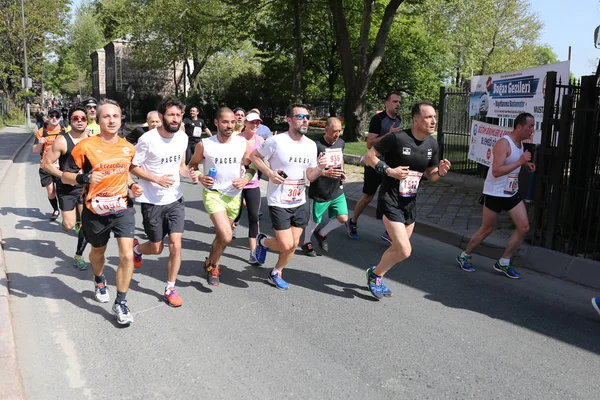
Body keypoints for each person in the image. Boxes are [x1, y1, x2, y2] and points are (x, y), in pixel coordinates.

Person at [62, 99, 143, 325]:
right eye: (106, 116)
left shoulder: (128, 147)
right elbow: (65, 175)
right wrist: (84, 177)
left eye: (115, 116)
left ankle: (121, 302)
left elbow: (125, 171)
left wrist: (132, 185)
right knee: (98, 251)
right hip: (95, 210)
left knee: (127, 254)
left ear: (120, 120)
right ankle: (99, 279)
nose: (111, 120)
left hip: (122, 207)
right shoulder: (85, 147)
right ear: (97, 120)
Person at [363, 101, 451, 299]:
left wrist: (441, 172)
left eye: (434, 117)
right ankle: (375, 275)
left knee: (398, 248)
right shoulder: (397, 139)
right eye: (428, 117)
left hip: (409, 202)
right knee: (404, 250)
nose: (433, 121)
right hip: (390, 199)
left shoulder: (432, 144)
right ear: (416, 119)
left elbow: (432, 175)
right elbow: (369, 156)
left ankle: (377, 274)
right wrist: (389, 171)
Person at [250, 103, 327, 290]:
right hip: (279, 201)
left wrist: (319, 168)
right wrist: (269, 173)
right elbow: (254, 156)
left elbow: (309, 176)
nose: (305, 120)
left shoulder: (310, 145)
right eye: (301, 117)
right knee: (285, 244)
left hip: (300, 200)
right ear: (289, 120)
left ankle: (276, 272)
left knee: (293, 245)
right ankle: (262, 242)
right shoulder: (277, 141)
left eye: (307, 117)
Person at [130, 97, 196, 307]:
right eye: (171, 115)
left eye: (178, 115)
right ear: (161, 116)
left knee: (176, 245)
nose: (175, 119)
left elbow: (182, 166)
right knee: (157, 248)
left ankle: (170, 288)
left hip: (175, 199)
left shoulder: (183, 138)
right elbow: (133, 167)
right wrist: (155, 179)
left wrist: (191, 175)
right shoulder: (147, 140)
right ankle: (137, 250)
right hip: (152, 201)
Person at [456, 112, 536, 279]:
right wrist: (520, 162)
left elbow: (512, 163)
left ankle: (504, 262)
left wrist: (525, 165)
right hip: (494, 192)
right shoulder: (503, 143)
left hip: (511, 192)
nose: (532, 130)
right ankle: (465, 255)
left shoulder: (520, 144)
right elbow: (497, 171)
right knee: (487, 229)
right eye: (530, 126)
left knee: (524, 228)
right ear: (519, 127)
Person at [189, 107, 255, 286]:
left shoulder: (242, 143)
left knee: (221, 236)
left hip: (234, 196)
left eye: (233, 122)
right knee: (226, 236)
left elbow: (251, 166)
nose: (230, 125)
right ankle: (214, 266)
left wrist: (245, 179)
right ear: (216, 122)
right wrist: (201, 177)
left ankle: (210, 263)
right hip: (214, 194)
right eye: (225, 122)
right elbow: (193, 165)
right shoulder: (205, 144)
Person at [347, 91, 402, 242]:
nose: (398, 104)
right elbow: (369, 143)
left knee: (391, 198)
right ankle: (352, 222)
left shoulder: (398, 119)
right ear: (387, 103)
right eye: (395, 101)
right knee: (367, 197)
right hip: (374, 164)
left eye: (399, 102)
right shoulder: (378, 119)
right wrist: (389, 134)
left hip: (390, 166)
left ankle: (389, 231)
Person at [41, 106, 90, 270]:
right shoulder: (62, 140)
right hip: (67, 188)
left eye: (83, 118)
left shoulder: (92, 139)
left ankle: (78, 256)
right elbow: (46, 164)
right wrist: (63, 175)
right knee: (69, 226)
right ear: (70, 121)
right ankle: (71, 220)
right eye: (76, 118)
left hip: (86, 187)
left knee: (86, 225)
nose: (80, 121)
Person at [302, 117, 348, 256]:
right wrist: (324, 172)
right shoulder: (315, 145)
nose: (337, 134)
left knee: (343, 218)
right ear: (326, 129)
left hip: (336, 189)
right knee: (315, 220)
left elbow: (340, 158)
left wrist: (342, 173)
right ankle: (306, 242)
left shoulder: (340, 142)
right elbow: (308, 169)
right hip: (320, 190)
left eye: (339, 131)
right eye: (334, 131)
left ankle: (322, 234)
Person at [232, 111, 265, 263]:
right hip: (236, 184)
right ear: (245, 123)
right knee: (234, 215)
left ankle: (253, 252)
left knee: (254, 217)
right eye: (252, 122)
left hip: (253, 183)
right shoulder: (235, 139)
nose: (255, 125)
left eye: (257, 122)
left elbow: (266, 160)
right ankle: (227, 231)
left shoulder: (261, 140)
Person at [32, 108, 65, 220]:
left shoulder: (64, 131)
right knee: (51, 192)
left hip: (61, 166)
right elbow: (35, 150)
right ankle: (56, 210)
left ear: (60, 118)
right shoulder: (42, 131)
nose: (54, 118)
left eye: (57, 116)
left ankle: (66, 211)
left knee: (62, 192)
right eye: (51, 116)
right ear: (48, 117)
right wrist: (40, 144)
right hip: (45, 166)